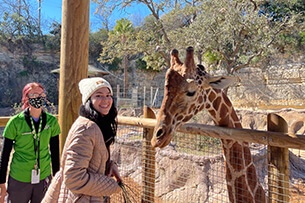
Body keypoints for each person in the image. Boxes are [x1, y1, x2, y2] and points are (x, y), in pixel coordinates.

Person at [42, 77, 121, 203]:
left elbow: (92, 160)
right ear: (89, 100)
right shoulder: (86, 128)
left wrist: (109, 165)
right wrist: (110, 185)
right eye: (99, 95)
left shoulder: (97, 125)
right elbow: (74, 178)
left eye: (108, 95)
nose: (105, 100)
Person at [0, 82, 61, 203]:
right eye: (34, 94)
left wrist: (57, 178)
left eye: (41, 94)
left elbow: (55, 152)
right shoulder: (15, 123)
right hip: (19, 177)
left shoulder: (52, 121)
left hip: (43, 176)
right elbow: (5, 155)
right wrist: (1, 182)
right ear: (26, 98)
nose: (39, 97)